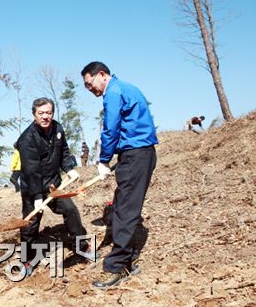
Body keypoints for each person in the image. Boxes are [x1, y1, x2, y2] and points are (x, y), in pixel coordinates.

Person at [81, 61, 157, 288]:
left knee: (124, 211)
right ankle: (129, 258)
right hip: (138, 154)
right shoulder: (127, 87)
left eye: (89, 83)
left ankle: (115, 268)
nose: (90, 89)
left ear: (101, 75)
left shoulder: (113, 92)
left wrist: (104, 160)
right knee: (126, 207)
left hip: (135, 155)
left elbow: (111, 127)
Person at [16, 97, 95, 276]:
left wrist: (69, 168)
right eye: (41, 113)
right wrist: (37, 197)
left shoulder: (58, 129)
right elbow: (31, 170)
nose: (45, 117)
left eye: (49, 113)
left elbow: (64, 151)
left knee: (71, 210)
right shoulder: (27, 139)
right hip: (32, 188)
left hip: (53, 185)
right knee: (30, 224)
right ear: (34, 115)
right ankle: (27, 260)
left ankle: (81, 247)